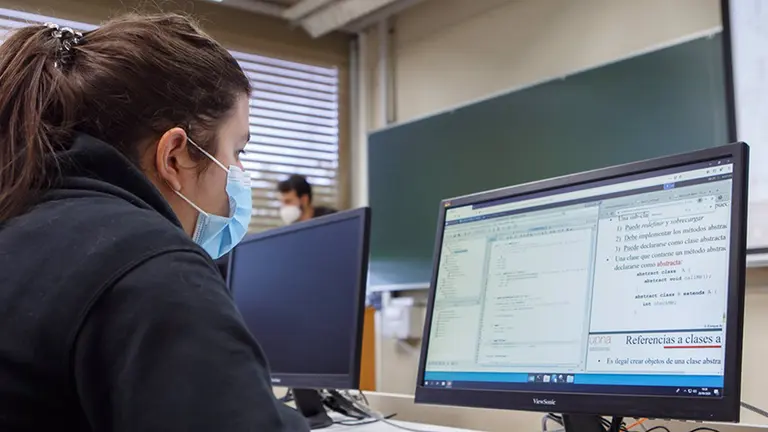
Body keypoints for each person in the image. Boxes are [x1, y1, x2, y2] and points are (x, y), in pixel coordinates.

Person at [0, 14, 309, 431]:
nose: (239, 173)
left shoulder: (22, 221)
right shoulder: (150, 264)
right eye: (238, 151)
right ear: (174, 157)